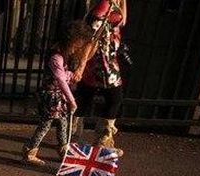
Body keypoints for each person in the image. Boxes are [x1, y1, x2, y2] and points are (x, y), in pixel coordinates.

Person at [22, 20, 94, 166]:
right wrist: (71, 100)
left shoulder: (62, 53)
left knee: (63, 122)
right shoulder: (56, 56)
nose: (77, 48)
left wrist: (69, 75)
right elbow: (60, 80)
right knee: (45, 124)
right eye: (77, 44)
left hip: (58, 95)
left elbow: (62, 76)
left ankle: (63, 149)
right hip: (51, 95)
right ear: (72, 40)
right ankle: (30, 151)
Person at [74, 0, 127, 152]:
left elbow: (122, 21)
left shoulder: (111, 6)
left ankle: (71, 138)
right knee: (114, 98)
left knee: (84, 96)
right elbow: (91, 38)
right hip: (103, 62)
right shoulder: (103, 7)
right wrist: (81, 65)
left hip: (103, 60)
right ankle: (102, 141)